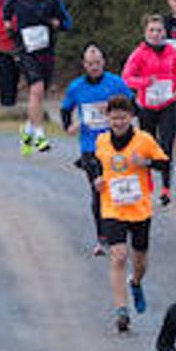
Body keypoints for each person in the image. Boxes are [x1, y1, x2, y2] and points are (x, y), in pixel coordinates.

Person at [94, 96, 167, 333]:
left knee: (140, 260)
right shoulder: (102, 140)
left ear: (131, 117)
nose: (118, 122)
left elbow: (164, 164)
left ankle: (135, 282)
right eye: (114, 118)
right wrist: (97, 178)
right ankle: (121, 310)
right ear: (108, 118)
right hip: (112, 207)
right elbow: (95, 163)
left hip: (139, 208)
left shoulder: (144, 139)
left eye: (122, 117)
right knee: (118, 255)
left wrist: (145, 162)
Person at [59, 45, 133, 254]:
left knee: (119, 188)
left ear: (103, 63)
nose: (94, 67)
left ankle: (120, 231)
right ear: (84, 65)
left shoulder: (116, 82)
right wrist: (68, 126)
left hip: (118, 144)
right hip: (91, 147)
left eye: (97, 63)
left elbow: (133, 104)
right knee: (98, 192)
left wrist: (118, 114)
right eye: (90, 64)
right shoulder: (76, 87)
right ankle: (102, 237)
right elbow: (65, 109)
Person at [5, 0, 71, 154]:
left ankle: (28, 129)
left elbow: (67, 22)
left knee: (41, 94)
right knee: (37, 89)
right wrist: (11, 29)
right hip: (26, 51)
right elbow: (6, 15)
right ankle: (40, 136)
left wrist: (58, 24)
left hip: (46, 51)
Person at [124, 14, 176, 206]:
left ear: (164, 32)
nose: (156, 34)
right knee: (146, 148)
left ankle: (166, 188)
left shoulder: (170, 51)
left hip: (168, 103)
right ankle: (146, 186)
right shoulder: (139, 53)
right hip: (147, 106)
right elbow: (126, 77)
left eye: (159, 30)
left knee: (165, 146)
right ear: (145, 33)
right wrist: (144, 82)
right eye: (152, 30)